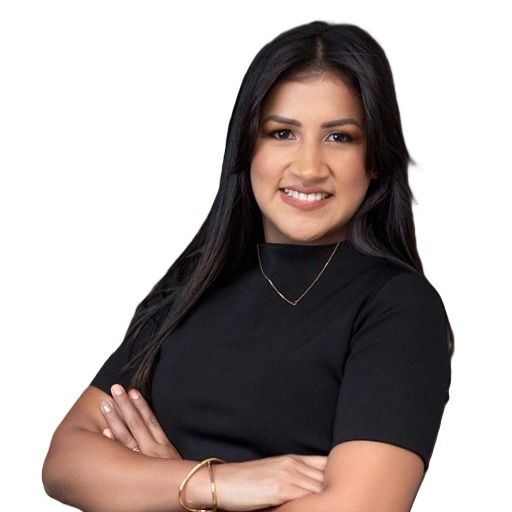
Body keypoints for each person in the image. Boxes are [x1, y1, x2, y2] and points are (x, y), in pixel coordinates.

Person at [42, 20, 454, 512]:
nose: (308, 167)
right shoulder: (194, 282)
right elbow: (66, 461)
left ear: (375, 159)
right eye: (282, 133)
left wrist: (160, 489)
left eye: (339, 137)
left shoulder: (399, 308)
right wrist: (212, 482)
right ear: (246, 147)